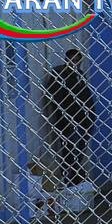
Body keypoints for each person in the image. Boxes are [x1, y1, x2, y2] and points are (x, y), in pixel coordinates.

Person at [43, 48, 95, 188]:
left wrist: (90, 114)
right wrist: (62, 113)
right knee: (68, 147)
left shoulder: (80, 75)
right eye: (72, 59)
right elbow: (54, 96)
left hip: (82, 118)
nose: (74, 62)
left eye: (77, 60)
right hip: (65, 117)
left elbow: (86, 95)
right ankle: (70, 175)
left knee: (80, 145)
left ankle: (75, 172)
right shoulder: (59, 73)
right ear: (66, 59)